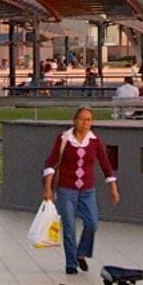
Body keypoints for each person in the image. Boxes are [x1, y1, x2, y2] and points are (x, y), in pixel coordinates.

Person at [43, 108, 120, 276]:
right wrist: (48, 188)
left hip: (87, 190)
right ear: (75, 120)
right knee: (69, 226)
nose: (85, 123)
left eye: (89, 120)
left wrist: (113, 187)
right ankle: (71, 263)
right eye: (82, 119)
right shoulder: (64, 139)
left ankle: (81, 252)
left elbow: (105, 164)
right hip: (66, 189)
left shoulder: (94, 140)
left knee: (92, 222)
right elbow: (51, 163)